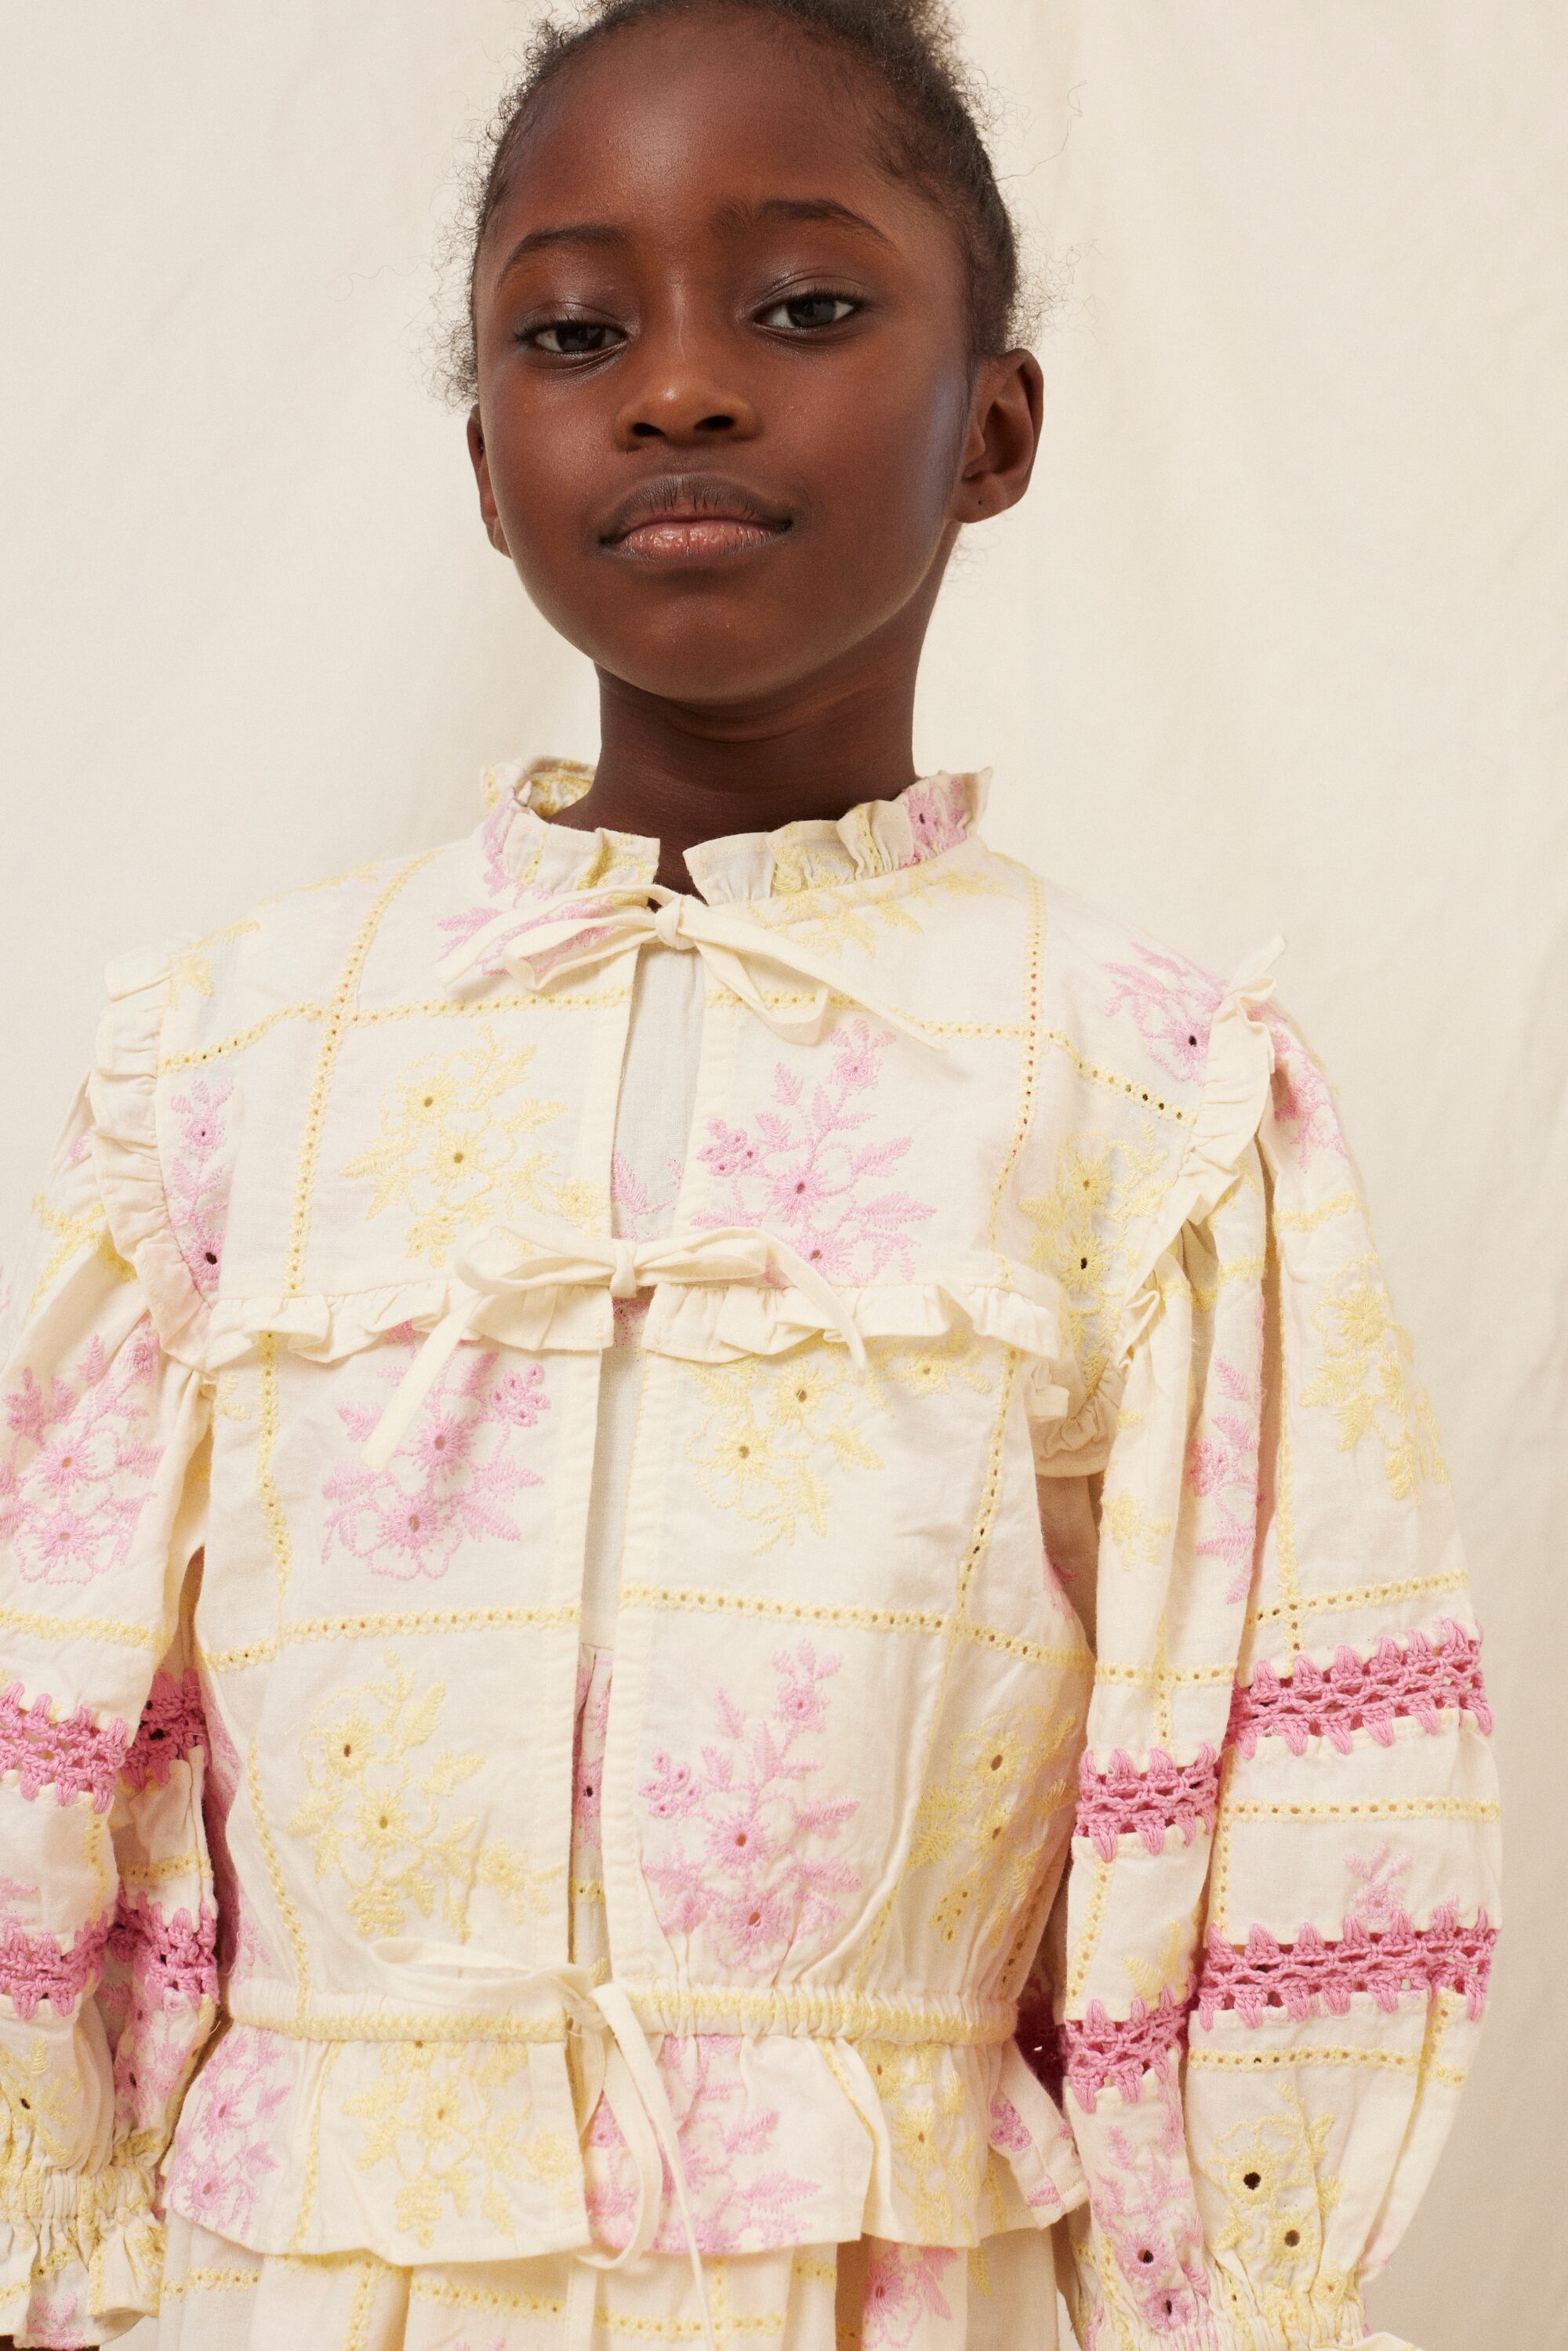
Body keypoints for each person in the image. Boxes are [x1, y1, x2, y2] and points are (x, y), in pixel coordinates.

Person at [0, 2, 1500, 2346]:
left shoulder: (1149, 1096)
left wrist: (1243, 2278)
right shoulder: (227, 1073)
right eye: (573, 332)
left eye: (802, 308)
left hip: (899, 2291)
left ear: (994, 427)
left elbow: (1286, 1786)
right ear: (486, 465)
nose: (680, 389)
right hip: (294, 2291)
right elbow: (64, 1724)